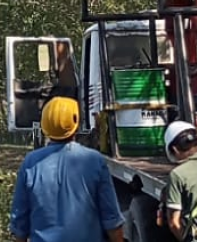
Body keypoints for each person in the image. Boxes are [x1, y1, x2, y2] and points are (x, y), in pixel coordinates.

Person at [9, 96, 125, 242]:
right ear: (75, 123)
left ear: (44, 124)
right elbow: (111, 220)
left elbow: (20, 225)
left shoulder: (31, 163)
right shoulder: (94, 161)